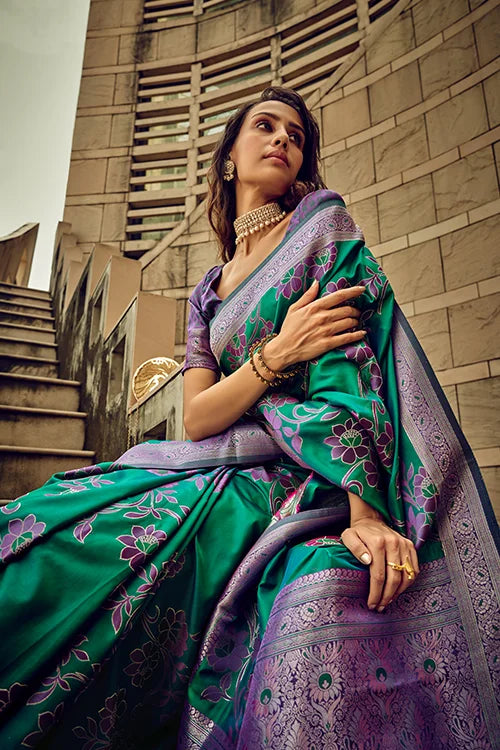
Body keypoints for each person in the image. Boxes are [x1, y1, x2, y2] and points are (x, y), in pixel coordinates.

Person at [0, 86, 498, 749]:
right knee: (44, 533)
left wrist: (367, 516)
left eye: (296, 135)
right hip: (210, 462)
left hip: (296, 478)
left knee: (103, 559)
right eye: (265, 126)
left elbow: (350, 369)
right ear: (229, 159)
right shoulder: (207, 293)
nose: (284, 139)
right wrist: (277, 354)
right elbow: (199, 415)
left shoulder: (320, 226)